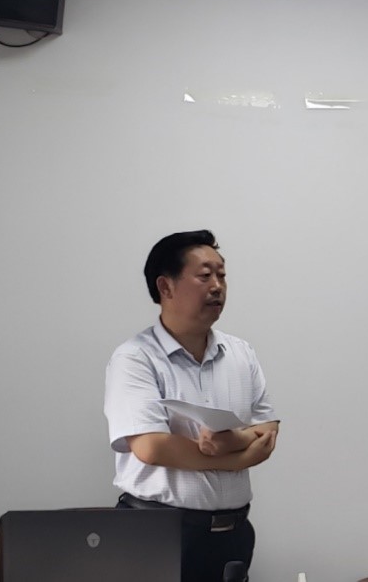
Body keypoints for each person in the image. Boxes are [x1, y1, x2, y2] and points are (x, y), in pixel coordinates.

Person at [105, 230, 279, 582]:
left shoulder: (241, 353)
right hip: (157, 533)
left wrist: (231, 441)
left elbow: (268, 429)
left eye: (222, 275)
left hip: (232, 534)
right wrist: (238, 459)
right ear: (165, 287)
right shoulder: (135, 358)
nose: (217, 286)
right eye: (204, 275)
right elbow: (152, 447)